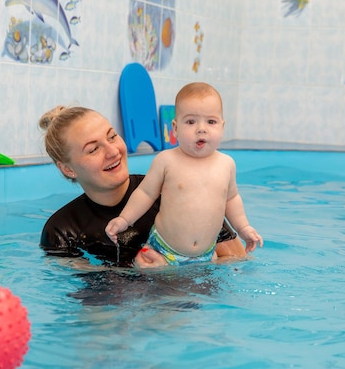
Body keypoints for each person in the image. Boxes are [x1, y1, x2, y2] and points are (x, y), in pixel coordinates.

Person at [38, 105, 248, 268]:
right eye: (93, 149)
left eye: (112, 136)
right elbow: (89, 289)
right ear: (68, 169)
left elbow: (238, 260)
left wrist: (180, 271)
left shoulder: (175, 194)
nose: (113, 151)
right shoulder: (62, 231)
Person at [105, 82, 263, 267]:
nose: (201, 129)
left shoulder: (226, 164)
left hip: (206, 254)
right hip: (164, 251)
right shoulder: (167, 160)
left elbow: (231, 199)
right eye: (190, 122)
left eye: (211, 122)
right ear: (176, 128)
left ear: (222, 126)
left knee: (203, 293)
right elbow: (145, 193)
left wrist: (244, 228)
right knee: (159, 285)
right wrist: (124, 220)